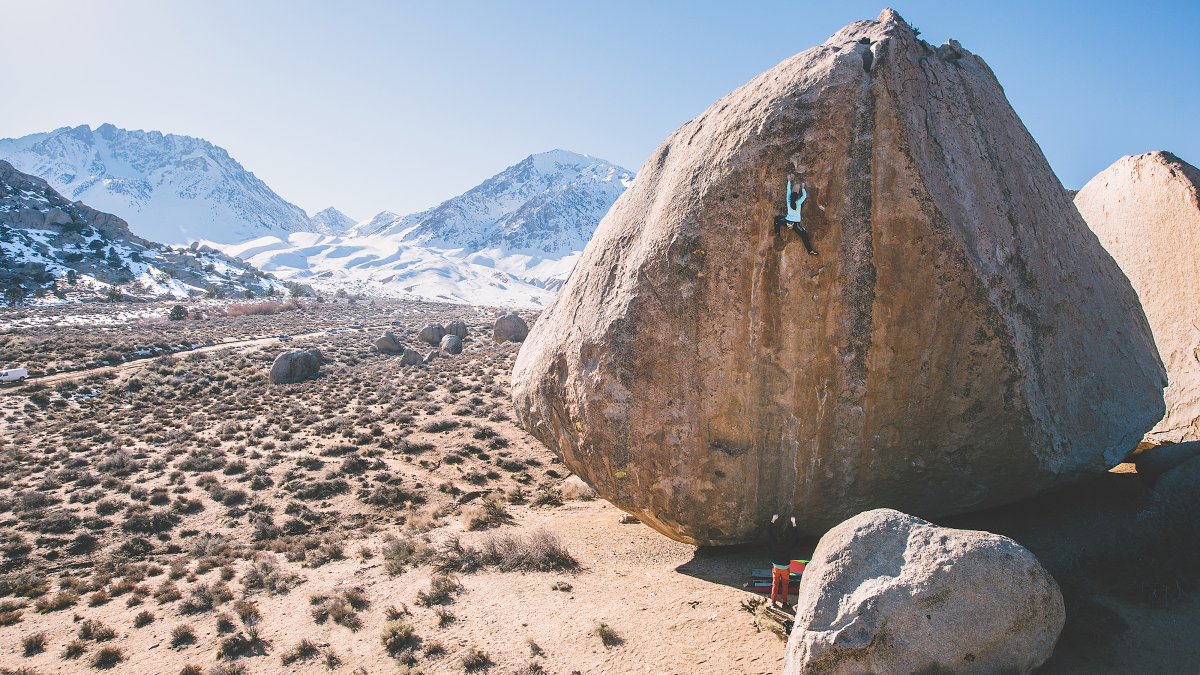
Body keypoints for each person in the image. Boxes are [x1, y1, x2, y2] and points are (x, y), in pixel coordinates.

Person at [772, 173, 818, 255]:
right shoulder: (798, 203)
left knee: (777, 218)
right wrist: (803, 188)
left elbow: (788, 191)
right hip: (795, 225)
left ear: (790, 197)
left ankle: (777, 233)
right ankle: (810, 250)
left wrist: (789, 181)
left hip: (787, 222)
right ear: (797, 197)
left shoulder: (788, 201)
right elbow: (804, 196)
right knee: (805, 236)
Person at [767, 514, 800, 609]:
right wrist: (793, 523)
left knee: (775, 584)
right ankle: (784, 603)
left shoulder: (774, 544)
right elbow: (795, 537)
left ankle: (773, 602)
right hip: (785, 567)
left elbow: (770, 533)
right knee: (785, 585)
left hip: (776, 567)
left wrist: (773, 520)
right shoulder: (788, 544)